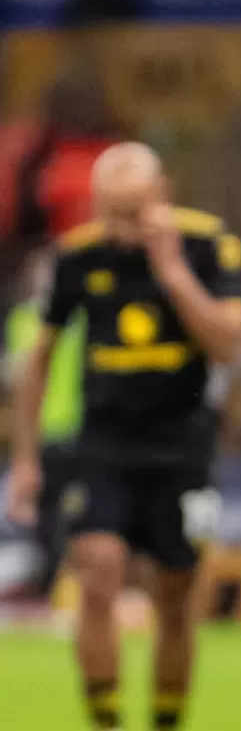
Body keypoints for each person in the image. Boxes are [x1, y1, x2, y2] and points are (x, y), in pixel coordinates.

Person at [5, 143, 241, 730]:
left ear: (161, 193)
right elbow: (38, 359)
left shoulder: (209, 245)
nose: (122, 226)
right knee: (98, 573)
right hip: (104, 445)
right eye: (111, 211)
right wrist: (26, 459)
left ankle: (166, 721)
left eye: (134, 210)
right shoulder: (76, 257)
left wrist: (171, 272)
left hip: (182, 447)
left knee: (175, 597)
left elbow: (229, 345)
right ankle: (106, 721)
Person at [2, 248, 86, 605]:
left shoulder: (82, 318)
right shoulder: (22, 319)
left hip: (80, 430)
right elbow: (16, 377)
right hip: (40, 433)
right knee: (45, 516)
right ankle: (49, 592)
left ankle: (72, 591)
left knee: (81, 516)